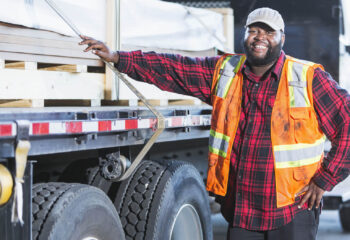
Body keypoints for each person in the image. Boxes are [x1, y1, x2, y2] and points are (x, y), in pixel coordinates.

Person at [80, 7, 350, 240]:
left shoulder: (308, 78)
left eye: (269, 32)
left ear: (282, 38)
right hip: (242, 208)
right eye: (254, 30)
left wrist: (324, 180)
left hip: (293, 209)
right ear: (244, 35)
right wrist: (120, 58)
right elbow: (173, 68)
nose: (260, 37)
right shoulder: (225, 71)